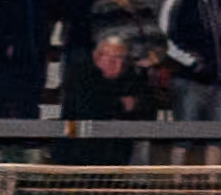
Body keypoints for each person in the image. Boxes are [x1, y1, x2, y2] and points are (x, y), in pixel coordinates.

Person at [161, 0, 221, 143]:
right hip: (189, 79)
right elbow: (166, 38)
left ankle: (214, 175)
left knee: (218, 138)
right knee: (184, 136)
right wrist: (193, 63)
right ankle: (178, 175)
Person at [55, 35, 153, 165]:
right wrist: (120, 104)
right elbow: (86, 108)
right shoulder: (80, 75)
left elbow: (146, 108)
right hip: (79, 147)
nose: (112, 61)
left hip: (117, 150)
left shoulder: (131, 79)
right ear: (97, 57)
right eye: (108, 56)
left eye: (118, 57)